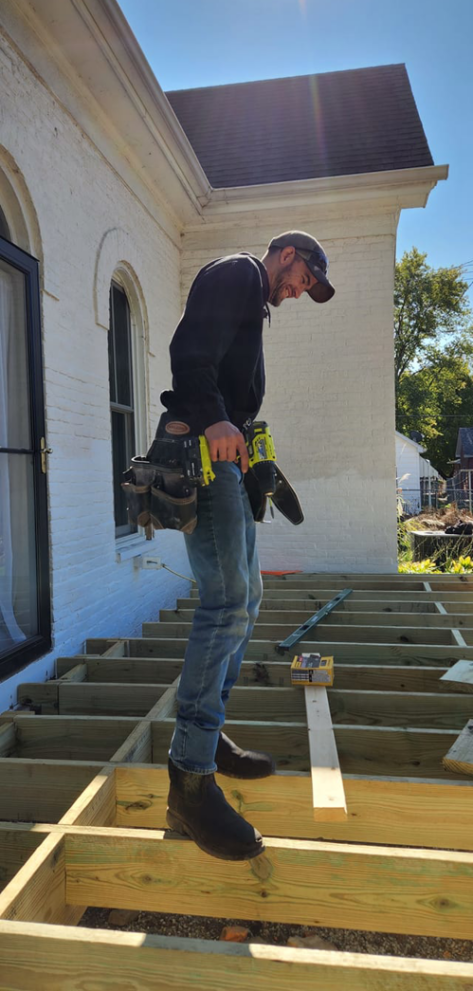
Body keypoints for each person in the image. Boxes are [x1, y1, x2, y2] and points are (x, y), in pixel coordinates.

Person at [161, 231, 335, 861]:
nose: (298, 290)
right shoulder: (237, 272)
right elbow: (188, 353)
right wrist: (214, 417)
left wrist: (244, 438)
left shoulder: (254, 302)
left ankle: (209, 739)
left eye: (306, 289)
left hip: (226, 457)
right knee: (227, 601)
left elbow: (226, 381)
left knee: (247, 597)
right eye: (302, 278)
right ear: (287, 254)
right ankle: (190, 782)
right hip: (207, 454)